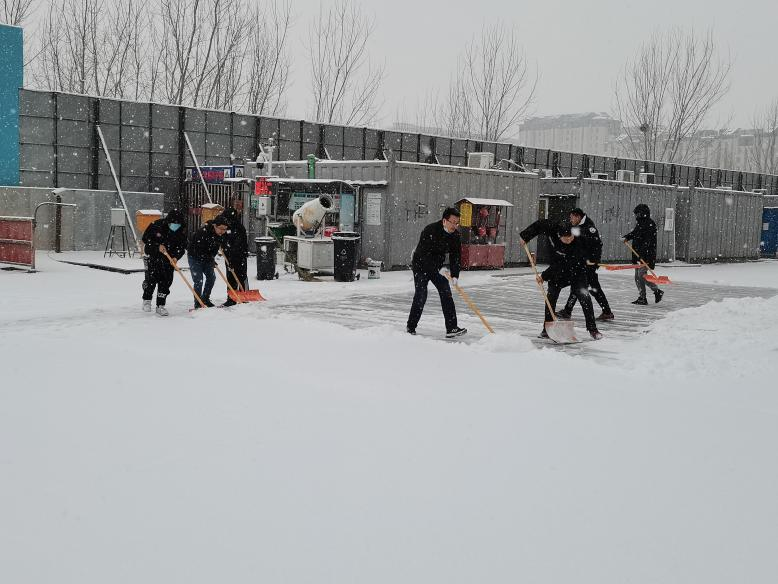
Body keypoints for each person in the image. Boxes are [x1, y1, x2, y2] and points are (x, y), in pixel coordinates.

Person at [519, 220, 602, 340]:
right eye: (565, 239)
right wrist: (525, 236)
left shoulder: (580, 240)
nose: (569, 241)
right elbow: (539, 224)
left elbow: (563, 263)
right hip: (558, 273)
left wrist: (544, 276)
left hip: (577, 270)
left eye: (570, 238)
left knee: (584, 296)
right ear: (559, 235)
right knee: (551, 297)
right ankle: (547, 329)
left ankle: (592, 329)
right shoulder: (553, 227)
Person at [406, 207, 467, 338]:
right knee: (421, 295)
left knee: (446, 293)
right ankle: (411, 326)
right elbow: (423, 254)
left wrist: (455, 275)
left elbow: (455, 257)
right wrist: (437, 268)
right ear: (444, 221)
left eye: (457, 223)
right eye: (453, 222)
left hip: (437, 267)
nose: (455, 226)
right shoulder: (430, 230)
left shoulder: (455, 235)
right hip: (421, 265)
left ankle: (451, 328)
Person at [557, 208, 614, 321]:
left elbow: (597, 245)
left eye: (572, 218)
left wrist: (595, 261)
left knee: (582, 286)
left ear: (578, 216)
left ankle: (568, 311)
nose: (570, 220)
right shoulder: (578, 226)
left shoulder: (589, 228)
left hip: (588, 264)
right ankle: (606, 312)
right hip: (581, 262)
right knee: (591, 287)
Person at [141, 209, 187, 317]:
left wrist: (176, 257)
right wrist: (157, 246)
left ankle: (160, 305)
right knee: (151, 280)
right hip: (154, 258)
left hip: (168, 261)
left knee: (166, 283)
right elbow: (145, 240)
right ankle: (147, 300)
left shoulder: (181, 231)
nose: (175, 226)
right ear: (168, 221)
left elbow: (181, 248)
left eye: (177, 224)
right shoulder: (157, 225)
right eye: (173, 223)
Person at [624, 203, 663, 305]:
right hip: (638, 254)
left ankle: (656, 291)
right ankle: (643, 297)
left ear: (642, 213)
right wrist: (626, 237)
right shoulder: (640, 224)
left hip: (646, 256)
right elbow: (634, 233)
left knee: (641, 276)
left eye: (637, 214)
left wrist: (642, 254)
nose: (636, 216)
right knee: (637, 277)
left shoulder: (650, 224)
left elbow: (648, 242)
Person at [187, 215, 229, 308]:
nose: (223, 231)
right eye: (221, 228)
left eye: (225, 229)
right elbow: (198, 249)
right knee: (198, 280)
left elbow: (216, 247)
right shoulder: (203, 232)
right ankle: (198, 303)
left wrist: (211, 258)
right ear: (214, 225)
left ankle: (205, 299)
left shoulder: (221, 234)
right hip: (195, 257)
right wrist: (209, 259)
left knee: (211, 278)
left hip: (208, 257)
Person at [220, 197, 248, 307]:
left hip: (239, 257)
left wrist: (233, 259)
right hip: (229, 256)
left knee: (241, 276)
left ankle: (243, 296)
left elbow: (238, 246)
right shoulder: (226, 228)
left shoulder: (239, 229)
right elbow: (223, 241)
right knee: (230, 277)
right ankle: (231, 298)